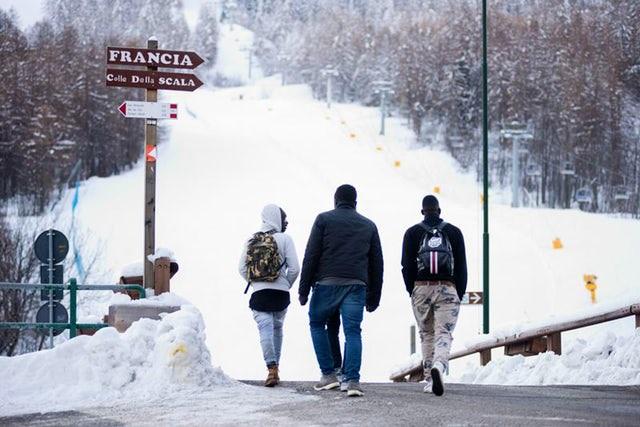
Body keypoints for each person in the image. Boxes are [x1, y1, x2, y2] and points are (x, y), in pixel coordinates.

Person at [299, 184, 384, 397]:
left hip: (326, 284)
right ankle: (352, 381)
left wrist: (303, 289)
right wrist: (375, 296)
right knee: (353, 331)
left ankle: (328, 375)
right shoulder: (369, 225)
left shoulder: (323, 219)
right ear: (355, 202)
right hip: (356, 285)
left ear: (335, 200)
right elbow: (377, 263)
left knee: (317, 323)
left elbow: (311, 254)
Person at [401, 195, 467, 396]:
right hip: (447, 287)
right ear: (439, 210)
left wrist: (412, 290)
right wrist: (459, 291)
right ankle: (439, 364)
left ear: (423, 211)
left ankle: (430, 379)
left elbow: (406, 266)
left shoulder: (412, 233)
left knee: (427, 333)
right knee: (443, 333)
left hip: (421, 288)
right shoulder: (454, 232)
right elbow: (462, 266)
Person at [239, 204, 300, 387]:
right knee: (277, 328)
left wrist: (257, 282)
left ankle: (271, 369)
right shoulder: (285, 239)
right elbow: (295, 268)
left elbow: (241, 268)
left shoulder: (252, 240)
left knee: (264, 328)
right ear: (278, 219)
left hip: (259, 294)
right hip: (281, 294)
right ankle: (277, 369)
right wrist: (285, 284)